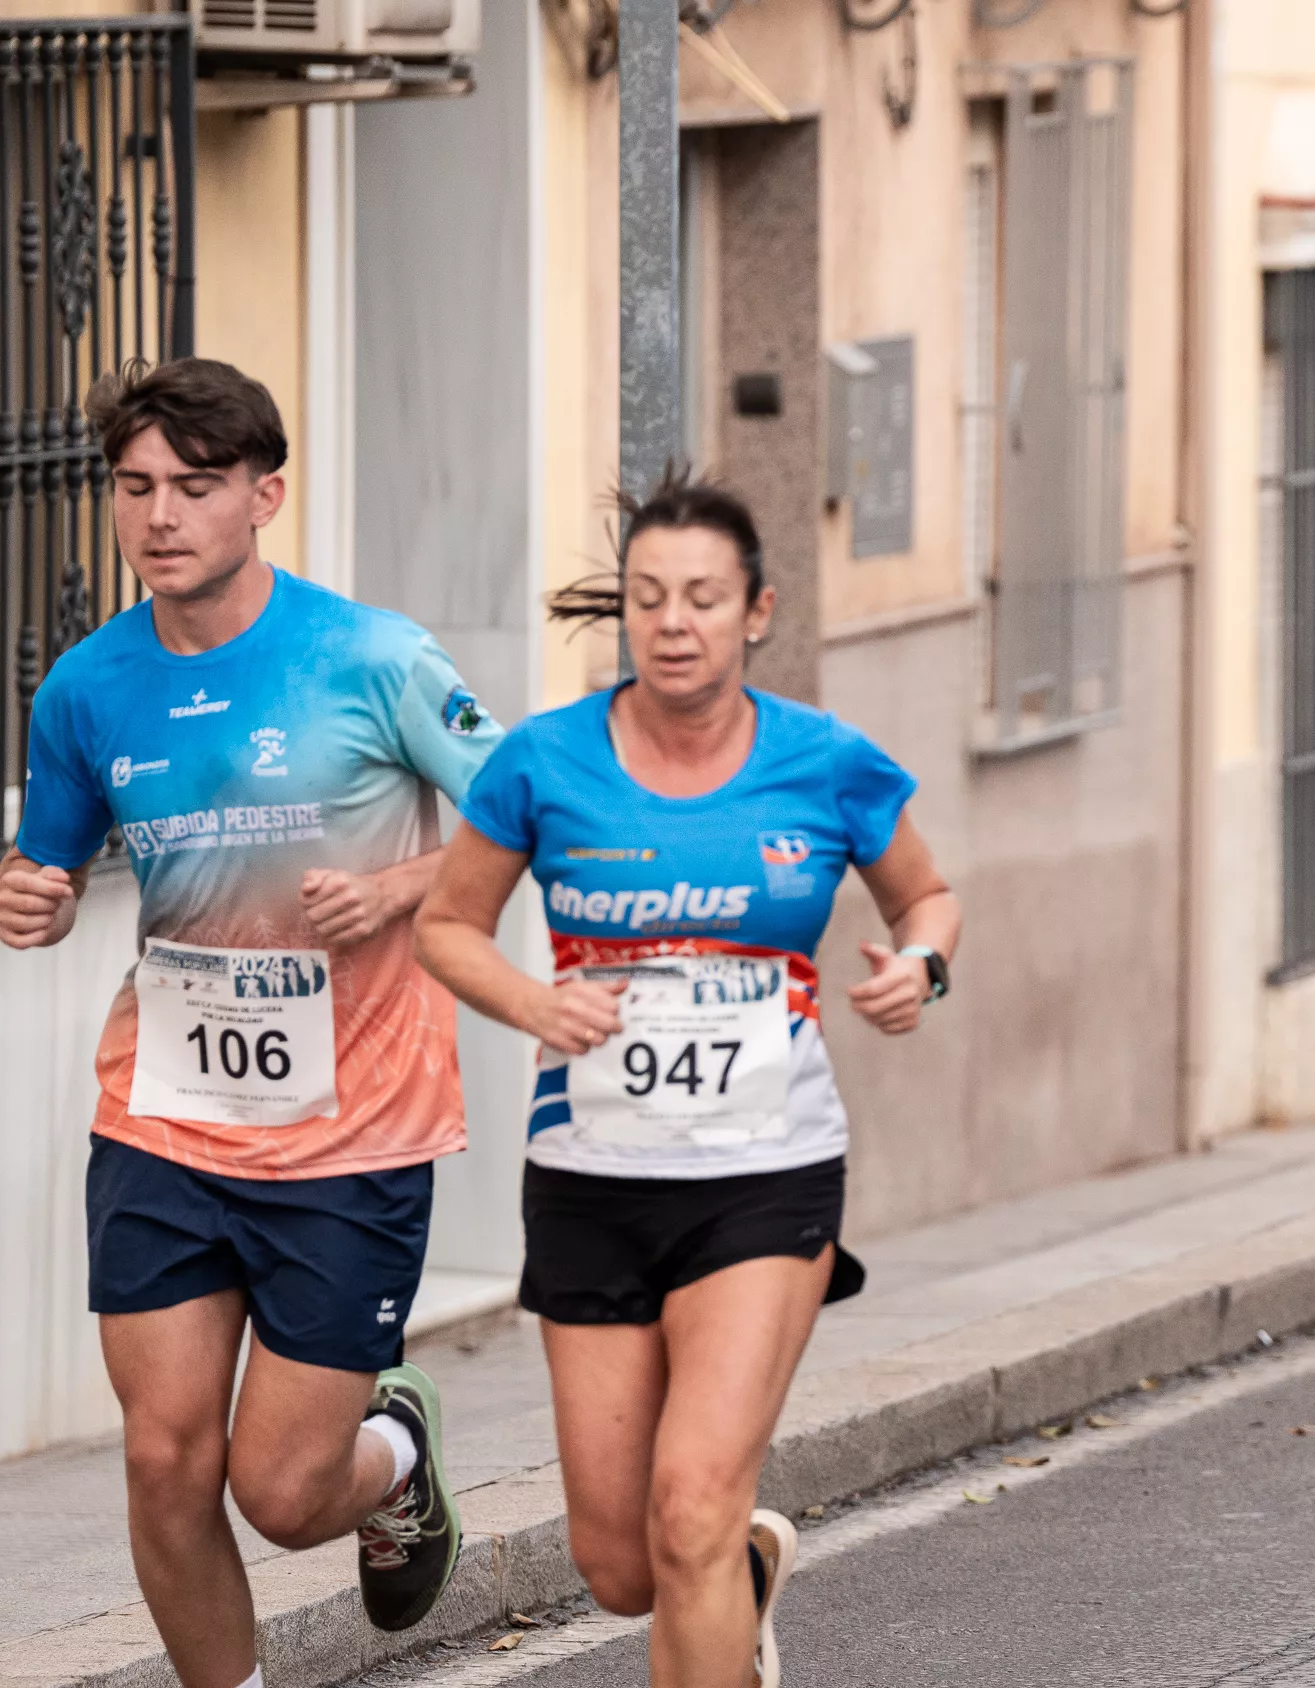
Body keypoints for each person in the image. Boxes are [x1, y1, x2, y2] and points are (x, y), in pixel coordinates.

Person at [0, 359, 502, 1687]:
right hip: (165, 1106)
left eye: (196, 488)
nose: (160, 516)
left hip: (354, 1123)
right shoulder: (86, 689)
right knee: (165, 1458)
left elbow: (529, 808)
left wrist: (398, 885)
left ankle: (393, 1458)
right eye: (135, 487)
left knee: (279, 1491)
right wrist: (29, 901)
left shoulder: (371, 658)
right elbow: (49, 866)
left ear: (265, 496)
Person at [413, 471, 958, 1688]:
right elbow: (446, 927)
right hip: (590, 1178)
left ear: (754, 610)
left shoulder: (827, 762)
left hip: (766, 1175)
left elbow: (926, 894)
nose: (673, 621)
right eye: (649, 596)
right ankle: (746, 1572)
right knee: (620, 1563)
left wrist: (921, 965)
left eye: (702, 597)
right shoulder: (542, 761)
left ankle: (722, 1553)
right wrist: (533, 1000)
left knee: (690, 1507)